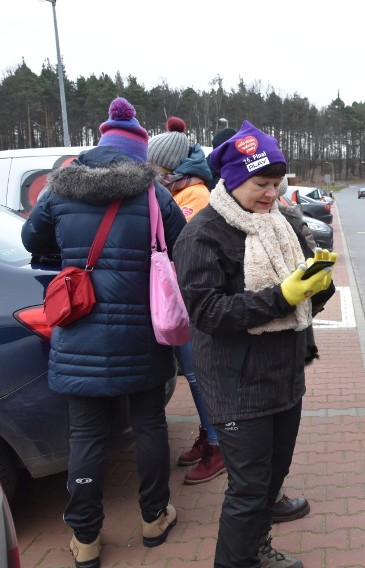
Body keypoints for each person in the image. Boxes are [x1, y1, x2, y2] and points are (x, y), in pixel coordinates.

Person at [21, 97, 184, 567]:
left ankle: (87, 538)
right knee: (150, 424)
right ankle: (154, 517)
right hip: (143, 332)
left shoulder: (60, 188)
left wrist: (72, 254)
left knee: (86, 436)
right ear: (139, 152)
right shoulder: (155, 194)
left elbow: (33, 240)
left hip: (79, 329)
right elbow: (178, 246)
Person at [174, 120, 335, 568]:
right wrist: (281, 296)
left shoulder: (279, 222)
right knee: (247, 491)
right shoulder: (202, 233)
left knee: (271, 480)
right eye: (260, 184)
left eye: (276, 184)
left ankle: (257, 549)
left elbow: (301, 294)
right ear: (232, 180)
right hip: (236, 381)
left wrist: (317, 285)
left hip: (284, 376)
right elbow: (207, 313)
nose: (270, 194)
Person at [147, 115, 227, 485]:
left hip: (191, 299)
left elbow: (181, 246)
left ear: (173, 167)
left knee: (199, 377)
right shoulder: (181, 190)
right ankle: (209, 436)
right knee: (197, 378)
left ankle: (218, 445)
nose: (154, 173)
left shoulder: (193, 195)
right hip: (181, 299)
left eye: (158, 166)